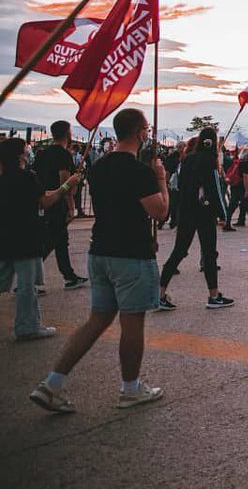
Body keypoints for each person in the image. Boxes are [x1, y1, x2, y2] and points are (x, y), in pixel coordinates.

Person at [29, 108, 168, 413]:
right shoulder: (140, 171)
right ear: (139, 133)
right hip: (130, 254)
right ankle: (130, 389)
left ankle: (52, 382)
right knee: (132, 322)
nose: (148, 134)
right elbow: (159, 211)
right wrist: (161, 181)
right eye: (146, 129)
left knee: (97, 319)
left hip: (99, 250)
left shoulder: (100, 167)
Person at [2, 138, 81, 340]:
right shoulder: (27, 177)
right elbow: (44, 200)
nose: (29, 151)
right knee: (27, 286)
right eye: (26, 148)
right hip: (26, 235)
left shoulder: (5, 177)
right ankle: (28, 326)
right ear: (20, 154)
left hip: (5, 234)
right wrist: (67, 186)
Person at [159, 127, 234, 310]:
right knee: (209, 253)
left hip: (186, 210)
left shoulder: (188, 159)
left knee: (179, 251)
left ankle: (160, 292)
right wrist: (223, 214)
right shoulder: (210, 160)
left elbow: (182, 185)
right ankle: (213, 295)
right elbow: (215, 189)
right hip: (204, 212)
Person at [34, 120, 87, 289]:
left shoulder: (43, 153)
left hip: (43, 198)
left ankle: (69, 275)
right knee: (51, 240)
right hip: (57, 202)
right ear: (67, 134)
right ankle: (28, 277)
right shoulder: (63, 155)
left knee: (59, 239)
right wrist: (71, 206)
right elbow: (64, 183)